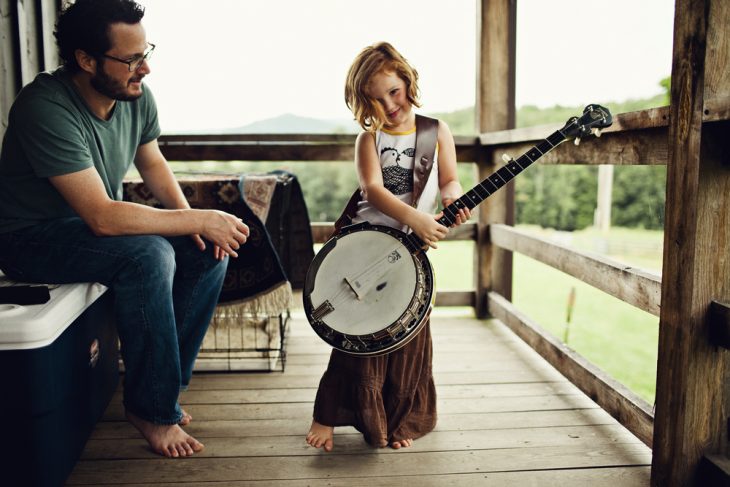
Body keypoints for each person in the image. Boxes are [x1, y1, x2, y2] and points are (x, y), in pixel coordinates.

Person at [0, 0, 249, 458]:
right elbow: (101, 216)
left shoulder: (133, 95)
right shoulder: (44, 106)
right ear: (87, 60)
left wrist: (194, 227)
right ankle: (152, 410)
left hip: (88, 232)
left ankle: (164, 387)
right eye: (132, 59)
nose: (146, 68)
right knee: (149, 254)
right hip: (29, 239)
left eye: (146, 52)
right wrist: (197, 217)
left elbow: (152, 164)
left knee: (207, 251)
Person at [305, 42, 471, 451]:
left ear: (408, 82)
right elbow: (373, 190)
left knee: (409, 332)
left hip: (409, 252)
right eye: (376, 100)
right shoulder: (370, 139)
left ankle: (399, 420)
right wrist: (416, 216)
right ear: (364, 103)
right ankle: (325, 415)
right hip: (366, 245)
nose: (389, 105)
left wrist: (452, 197)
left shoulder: (436, 131)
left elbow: (449, 179)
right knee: (357, 335)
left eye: (394, 92)